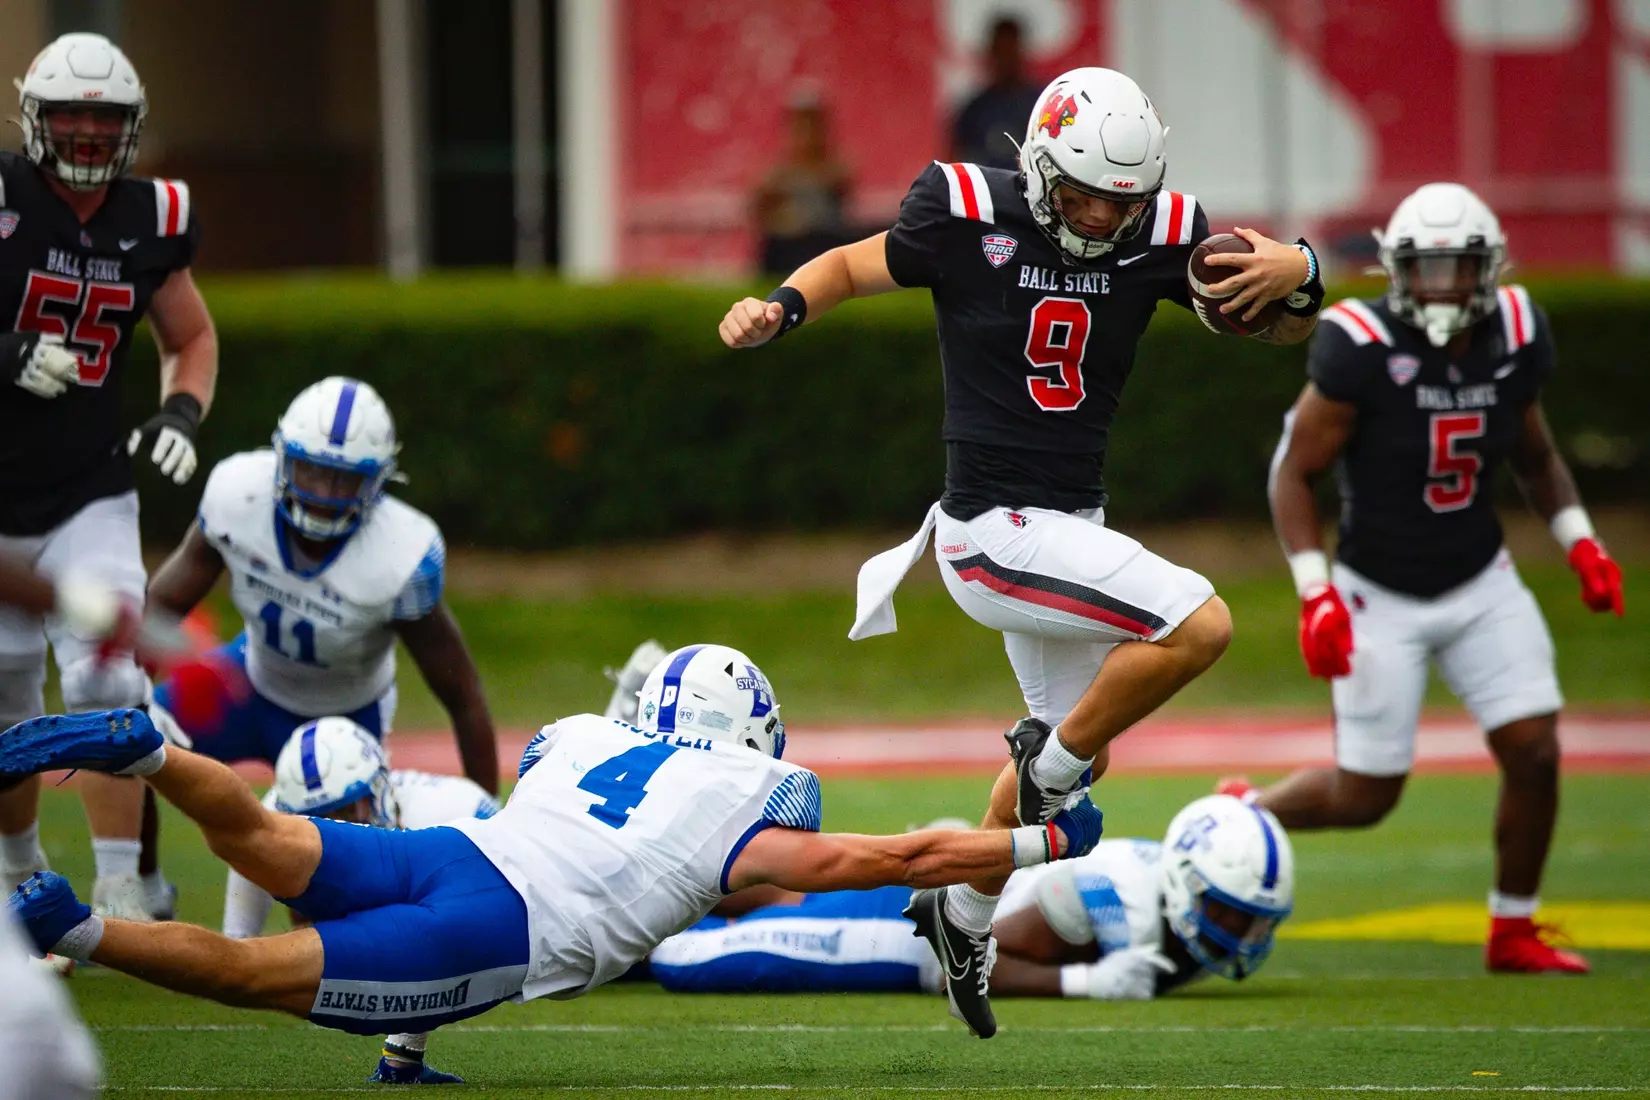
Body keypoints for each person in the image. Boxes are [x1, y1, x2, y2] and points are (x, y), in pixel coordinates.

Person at [717, 66, 1325, 1037]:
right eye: (1082, 193)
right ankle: (1043, 776)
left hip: (1067, 529)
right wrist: (778, 308)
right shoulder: (964, 210)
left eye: (1120, 199)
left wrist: (1302, 272)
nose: (1098, 214)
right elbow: (843, 265)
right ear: (1041, 168)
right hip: (989, 530)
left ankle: (962, 911)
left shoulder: (1168, 232)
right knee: (1199, 624)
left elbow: (1273, 322)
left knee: (1072, 753)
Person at [3, 643, 1104, 1053]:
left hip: (459, 849)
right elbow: (904, 859)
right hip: (498, 922)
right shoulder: (746, 801)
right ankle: (76, 922)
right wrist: (1043, 833)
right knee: (252, 976)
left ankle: (146, 751)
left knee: (263, 832)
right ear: (751, 734)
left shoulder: (580, 738)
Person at [1226, 182, 1624, 975]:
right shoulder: (1358, 341)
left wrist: (1581, 543)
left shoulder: (1515, 329)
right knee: (1364, 798)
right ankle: (1242, 813)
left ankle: (1513, 928)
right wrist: (1317, 593)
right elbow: (1291, 474)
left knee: (1537, 750)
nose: (1443, 285)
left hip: (1480, 578)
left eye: (1460, 267)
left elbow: (1536, 456)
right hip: (1381, 590)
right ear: (1396, 268)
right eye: (1428, 267)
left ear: (1490, 268)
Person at [0, 33, 219, 926]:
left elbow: (190, 338)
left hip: (90, 489)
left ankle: (125, 886)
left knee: (104, 677)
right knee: (8, 693)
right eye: (71, 115)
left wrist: (181, 412)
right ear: (34, 118)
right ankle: (20, 877)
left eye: (106, 117)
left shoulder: (152, 213)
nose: (89, 133)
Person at [141, 376, 499, 910]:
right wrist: (127, 686)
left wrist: (495, 837)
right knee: (131, 737)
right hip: (244, 684)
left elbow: (462, 694)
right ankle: (136, 886)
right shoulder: (239, 495)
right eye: (312, 470)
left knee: (336, 896)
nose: (324, 494)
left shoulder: (400, 555)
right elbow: (156, 611)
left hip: (343, 722)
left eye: (344, 480)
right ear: (283, 457)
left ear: (377, 484)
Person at [650, 795, 1293, 1002]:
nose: (1240, 932)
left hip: (951, 891)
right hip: (923, 926)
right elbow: (962, 961)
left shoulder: (1165, 904)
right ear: (1185, 883)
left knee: (788, 900)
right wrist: (1084, 982)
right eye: (1232, 911)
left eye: (1251, 919)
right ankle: (623, 924)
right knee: (682, 960)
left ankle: (657, 898)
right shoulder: (1111, 897)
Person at [222, 717, 497, 1085]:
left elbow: (455, 932)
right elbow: (247, 855)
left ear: (380, 790)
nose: (335, 829)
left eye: (347, 811)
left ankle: (401, 1057)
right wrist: (238, 946)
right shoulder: (276, 811)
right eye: (318, 819)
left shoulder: (449, 812)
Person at [753, 89, 853, 277]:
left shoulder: (835, 171)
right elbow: (761, 215)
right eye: (799, 126)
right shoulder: (776, 177)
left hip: (822, 249)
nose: (805, 134)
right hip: (788, 255)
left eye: (811, 125)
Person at [950, 17, 1041, 171]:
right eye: (1001, 51)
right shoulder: (974, 111)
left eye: (1010, 50)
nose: (1005, 59)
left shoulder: (1039, 105)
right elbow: (952, 165)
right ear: (991, 53)